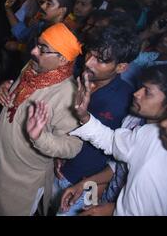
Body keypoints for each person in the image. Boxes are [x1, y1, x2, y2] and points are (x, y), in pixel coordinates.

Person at [0, 23, 83, 216]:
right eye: (37, 44)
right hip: (1, 156)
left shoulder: (69, 94)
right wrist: (3, 90)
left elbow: (73, 146)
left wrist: (39, 136)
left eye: (42, 49)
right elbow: (15, 97)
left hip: (25, 175)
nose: (33, 51)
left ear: (62, 58)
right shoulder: (32, 68)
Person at [52, 24, 140, 215]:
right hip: (56, 166)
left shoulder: (128, 103)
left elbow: (122, 158)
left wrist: (94, 185)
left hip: (89, 185)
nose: (89, 63)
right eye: (89, 54)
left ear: (122, 67)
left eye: (101, 60)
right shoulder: (74, 77)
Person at [62, 65, 167, 215]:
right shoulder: (150, 133)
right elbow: (112, 142)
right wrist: (84, 116)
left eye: (148, 92)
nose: (137, 94)